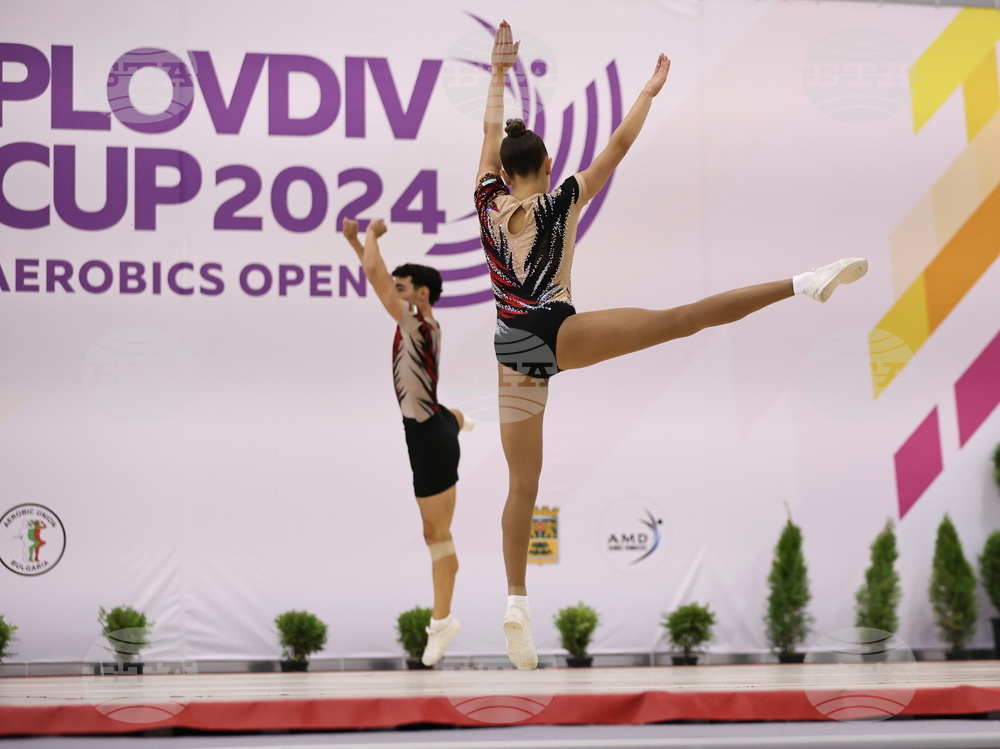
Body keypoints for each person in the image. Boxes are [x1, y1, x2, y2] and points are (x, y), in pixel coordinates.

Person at [475, 22, 868, 670]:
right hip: (556, 329)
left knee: (522, 485)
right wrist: (650, 94)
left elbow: (488, 139)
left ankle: (516, 600)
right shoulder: (562, 198)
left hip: (510, 348)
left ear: (504, 172)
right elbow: (620, 145)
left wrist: (497, 73)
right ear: (545, 168)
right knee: (681, 319)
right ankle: (803, 282)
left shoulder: (487, 202)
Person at [342, 218, 473, 666]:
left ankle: (442, 623)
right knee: (434, 532)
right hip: (429, 424)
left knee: (437, 535)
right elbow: (378, 277)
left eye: (403, 288)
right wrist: (354, 242)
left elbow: (377, 278)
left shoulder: (417, 321)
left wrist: (372, 238)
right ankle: (458, 419)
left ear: (421, 295)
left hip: (429, 439)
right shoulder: (417, 320)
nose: (393, 294)